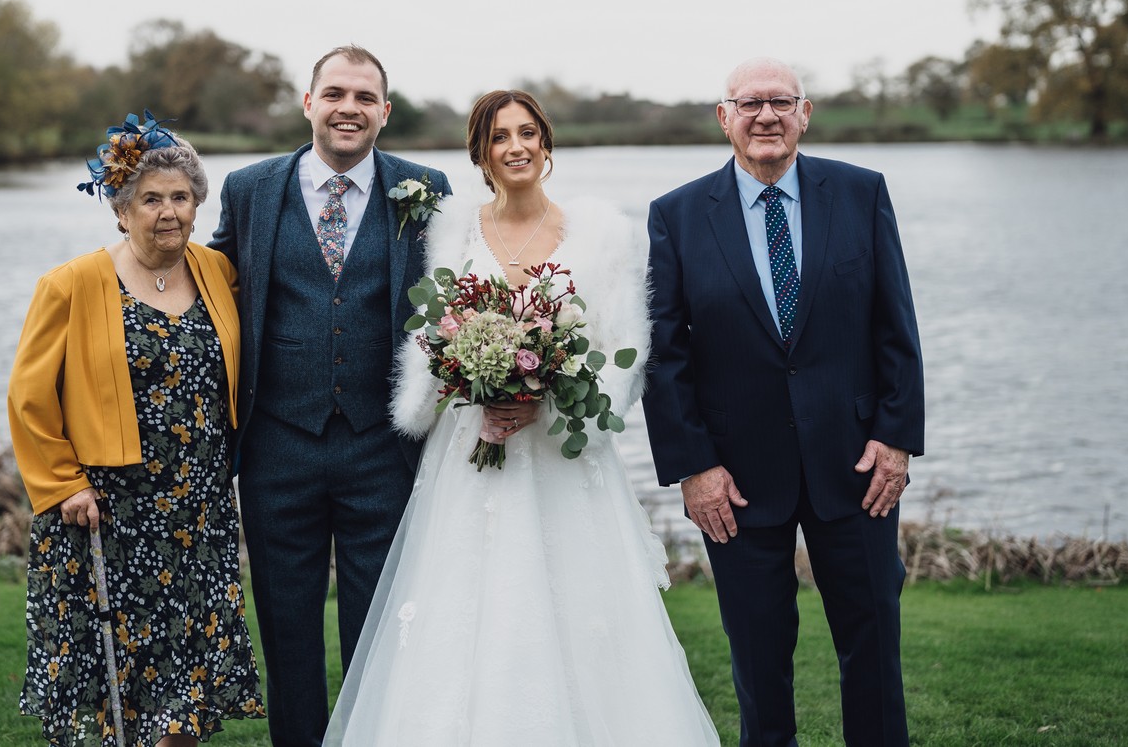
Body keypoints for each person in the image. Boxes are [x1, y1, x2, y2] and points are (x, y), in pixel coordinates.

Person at [325, 90, 721, 746]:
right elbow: (433, 335)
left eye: (528, 132)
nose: (516, 146)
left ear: (546, 143)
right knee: (468, 620)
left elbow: (620, 352)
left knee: (580, 617)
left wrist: (548, 394)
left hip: (561, 454)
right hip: (471, 454)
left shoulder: (601, 235)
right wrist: (477, 386)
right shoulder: (452, 229)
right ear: (480, 152)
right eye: (500, 135)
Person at [643, 57, 925, 747]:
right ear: (724, 117)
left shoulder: (861, 193)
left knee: (874, 651)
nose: (764, 115)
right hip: (736, 482)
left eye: (780, 101)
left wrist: (895, 438)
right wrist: (694, 467)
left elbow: (896, 326)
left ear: (805, 112)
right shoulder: (676, 215)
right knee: (759, 665)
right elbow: (665, 355)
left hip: (857, 467)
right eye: (748, 103)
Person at [209, 46, 452, 747]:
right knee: (286, 630)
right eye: (335, 92)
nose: (350, 107)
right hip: (277, 444)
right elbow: (214, 286)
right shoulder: (251, 187)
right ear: (308, 102)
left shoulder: (425, 187)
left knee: (379, 630)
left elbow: (456, 295)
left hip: (383, 444)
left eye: (365, 96)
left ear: (384, 110)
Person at [8, 113, 264, 747]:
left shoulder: (218, 274)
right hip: (105, 510)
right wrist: (64, 484)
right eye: (151, 199)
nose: (168, 211)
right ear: (121, 211)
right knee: (115, 690)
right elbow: (29, 397)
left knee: (186, 688)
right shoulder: (70, 285)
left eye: (181, 197)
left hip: (197, 513)